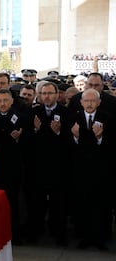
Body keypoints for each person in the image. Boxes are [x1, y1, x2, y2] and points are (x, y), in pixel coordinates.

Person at [29, 81, 71, 246]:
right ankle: (35, 232)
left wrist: (59, 132)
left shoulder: (66, 113)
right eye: (43, 93)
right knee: (36, 203)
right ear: (39, 96)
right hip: (37, 167)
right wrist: (36, 131)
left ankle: (59, 234)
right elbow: (27, 141)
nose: (46, 96)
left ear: (57, 95)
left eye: (50, 93)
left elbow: (71, 141)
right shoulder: (34, 112)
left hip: (58, 167)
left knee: (58, 204)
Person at [70, 89, 113, 251]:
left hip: (101, 172)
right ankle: (85, 237)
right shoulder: (74, 118)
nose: (89, 104)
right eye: (86, 101)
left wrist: (100, 138)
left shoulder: (107, 119)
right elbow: (68, 148)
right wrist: (76, 137)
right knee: (83, 205)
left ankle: (99, 238)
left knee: (100, 206)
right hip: (80, 172)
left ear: (98, 103)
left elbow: (111, 146)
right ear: (81, 102)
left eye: (92, 101)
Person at [0, 88, 29, 245]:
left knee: (13, 201)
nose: (3, 104)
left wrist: (19, 139)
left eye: (5, 100)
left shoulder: (22, 118)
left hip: (14, 168)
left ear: (12, 101)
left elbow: (29, 145)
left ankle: (15, 234)